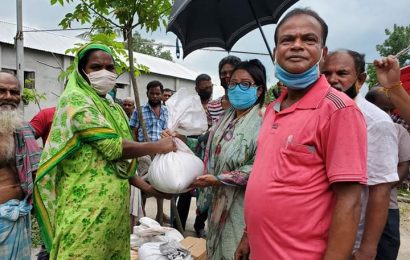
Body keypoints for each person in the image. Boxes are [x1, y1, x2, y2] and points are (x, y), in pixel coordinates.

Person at [236, 8, 368, 260]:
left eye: (309, 39)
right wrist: (248, 236)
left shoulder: (339, 110)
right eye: (287, 40)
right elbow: (266, 179)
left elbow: (350, 202)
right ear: (276, 52)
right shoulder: (273, 109)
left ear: (323, 53)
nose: (297, 46)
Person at [33, 43, 175, 259]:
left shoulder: (112, 106)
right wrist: (158, 146)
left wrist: (151, 189)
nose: (105, 73)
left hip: (115, 211)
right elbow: (113, 147)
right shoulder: (76, 100)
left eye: (110, 68)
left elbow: (121, 166)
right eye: (96, 67)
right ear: (82, 71)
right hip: (86, 207)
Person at [322, 50, 399, 259]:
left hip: (351, 239)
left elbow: (381, 189)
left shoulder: (376, 122)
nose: (332, 80)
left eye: (342, 73)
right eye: (326, 73)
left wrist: (367, 247)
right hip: (316, 234)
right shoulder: (319, 113)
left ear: (361, 78)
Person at [190, 59, 267, 259]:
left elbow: (262, 166)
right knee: (216, 249)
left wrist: (221, 178)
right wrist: (178, 141)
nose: (237, 88)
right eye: (233, 83)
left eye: (245, 84)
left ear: (259, 90)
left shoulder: (266, 120)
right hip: (218, 203)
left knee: (234, 252)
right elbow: (207, 147)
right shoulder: (227, 116)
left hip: (243, 206)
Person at [0, 72, 42, 259]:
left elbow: (36, 171)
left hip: (20, 215)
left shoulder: (22, 129)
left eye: (14, 92)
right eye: (1, 91)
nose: (8, 97)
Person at [365, 86, 410, 259]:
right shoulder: (356, 126)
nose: (389, 114)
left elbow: (403, 167)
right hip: (355, 203)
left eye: (391, 109)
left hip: (388, 205)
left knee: (386, 251)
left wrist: (379, 189)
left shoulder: (399, 131)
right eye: (384, 109)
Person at [129, 80, 169, 223]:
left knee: (159, 183)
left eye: (157, 93)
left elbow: (167, 130)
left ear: (162, 95)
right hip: (144, 153)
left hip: (160, 153)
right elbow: (133, 130)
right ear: (147, 93)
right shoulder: (139, 110)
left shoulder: (166, 111)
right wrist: (136, 149)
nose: (154, 96)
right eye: (151, 93)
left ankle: (159, 214)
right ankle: (143, 215)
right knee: (143, 185)